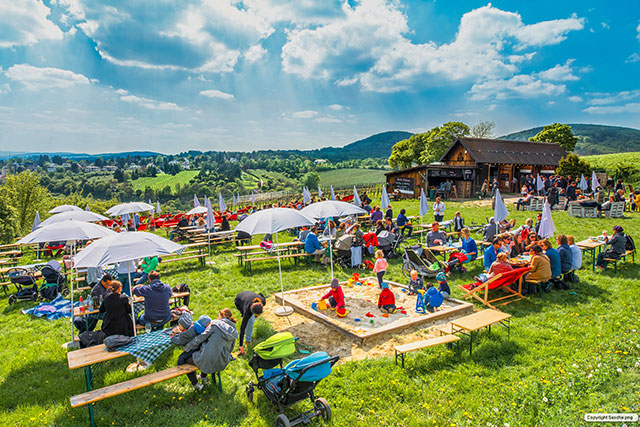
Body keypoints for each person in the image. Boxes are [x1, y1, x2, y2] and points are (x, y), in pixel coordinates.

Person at [177, 308, 237, 391]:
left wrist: (187, 347)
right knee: (206, 351)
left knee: (185, 359)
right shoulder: (234, 331)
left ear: (221, 316)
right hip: (222, 361)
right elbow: (231, 349)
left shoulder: (215, 324)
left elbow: (200, 338)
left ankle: (195, 384)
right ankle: (203, 377)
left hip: (209, 360)